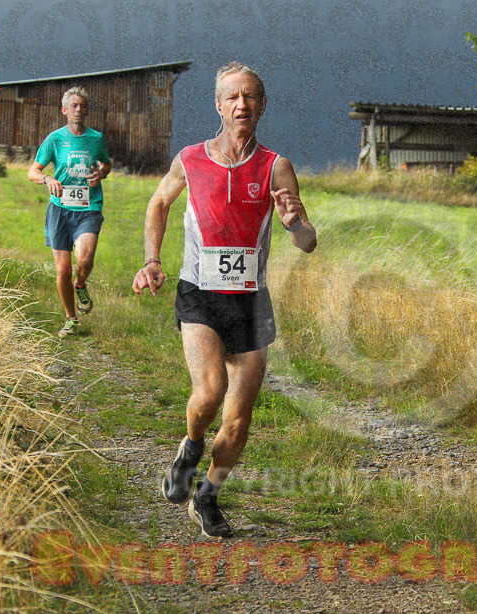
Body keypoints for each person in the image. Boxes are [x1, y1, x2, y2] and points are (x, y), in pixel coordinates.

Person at [132, 63, 317, 538]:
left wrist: (296, 224)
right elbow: (158, 203)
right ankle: (190, 448)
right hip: (200, 294)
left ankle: (207, 496)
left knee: (237, 422)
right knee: (210, 392)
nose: (241, 105)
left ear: (262, 105)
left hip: (251, 302)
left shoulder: (276, 166)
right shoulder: (190, 158)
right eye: (232, 97)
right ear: (218, 105)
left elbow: (307, 241)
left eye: (250, 96)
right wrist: (152, 259)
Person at [28, 86, 112, 338]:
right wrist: (47, 179)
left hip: (88, 208)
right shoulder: (54, 139)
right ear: (64, 110)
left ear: (87, 110)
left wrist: (101, 173)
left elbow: (106, 163)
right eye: (74, 106)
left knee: (84, 259)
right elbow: (33, 171)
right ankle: (71, 318)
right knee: (63, 269)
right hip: (60, 210)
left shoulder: (96, 138)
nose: (78, 109)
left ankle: (80, 284)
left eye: (82, 106)